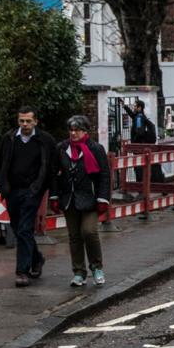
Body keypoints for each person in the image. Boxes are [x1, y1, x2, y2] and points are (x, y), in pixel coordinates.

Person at [0, 106, 56, 287]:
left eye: (28, 121)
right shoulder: (9, 138)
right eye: (21, 120)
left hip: (33, 190)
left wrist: (48, 191)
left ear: (35, 121)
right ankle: (37, 258)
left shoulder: (45, 140)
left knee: (24, 228)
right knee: (18, 228)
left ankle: (22, 271)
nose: (25, 124)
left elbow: (50, 167)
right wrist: (2, 186)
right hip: (12, 190)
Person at [50, 116, 110, 287]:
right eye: (71, 130)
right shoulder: (61, 148)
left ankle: (97, 267)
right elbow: (54, 173)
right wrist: (54, 197)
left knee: (89, 232)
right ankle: (78, 272)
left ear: (85, 131)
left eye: (77, 129)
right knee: (74, 236)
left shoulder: (95, 149)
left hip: (90, 198)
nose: (73, 133)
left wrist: (103, 199)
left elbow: (104, 175)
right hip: (69, 199)